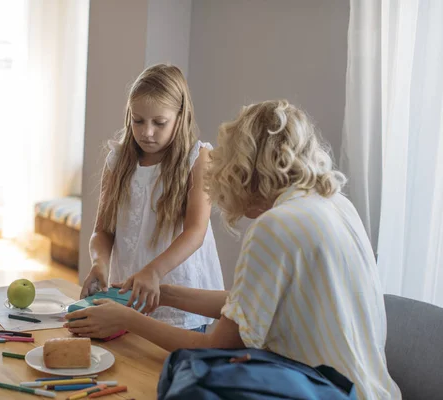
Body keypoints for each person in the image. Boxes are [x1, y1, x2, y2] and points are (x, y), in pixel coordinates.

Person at [67, 100, 401, 399]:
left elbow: (213, 346)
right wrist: (164, 293)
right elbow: (244, 305)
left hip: (316, 390)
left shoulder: (275, 228)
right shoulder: (336, 205)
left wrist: (128, 318)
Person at [79, 64, 224, 332]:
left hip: (179, 299)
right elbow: (102, 230)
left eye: (159, 123)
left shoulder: (197, 159)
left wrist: (154, 271)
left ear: (180, 117)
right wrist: (99, 265)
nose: (147, 132)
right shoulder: (118, 161)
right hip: (128, 294)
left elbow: (195, 232)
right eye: (138, 121)